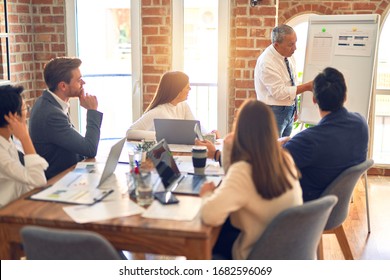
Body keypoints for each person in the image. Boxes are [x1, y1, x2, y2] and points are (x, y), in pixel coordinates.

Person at [199, 99, 303, 260]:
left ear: (239, 129)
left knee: (206, 242)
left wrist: (206, 194)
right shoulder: (284, 159)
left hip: (256, 254)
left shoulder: (244, 171)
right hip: (286, 250)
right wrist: (227, 147)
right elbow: (231, 179)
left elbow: (209, 215)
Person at [283, 67, 369, 202]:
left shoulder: (307, 140)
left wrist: (275, 146)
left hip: (305, 210)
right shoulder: (361, 124)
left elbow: (270, 168)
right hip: (335, 206)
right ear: (345, 97)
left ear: (314, 100)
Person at [29, 57, 103, 179]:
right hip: (58, 180)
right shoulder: (51, 114)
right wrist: (92, 110)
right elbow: (90, 149)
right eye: (79, 80)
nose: (83, 83)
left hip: (71, 173)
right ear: (63, 86)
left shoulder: (52, 102)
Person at [254, 24, 313, 137]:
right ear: (276, 45)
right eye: (291, 45)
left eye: (295, 42)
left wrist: (295, 107)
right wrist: (307, 87)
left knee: (284, 148)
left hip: (288, 110)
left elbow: (292, 81)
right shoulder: (266, 62)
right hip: (273, 111)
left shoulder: (288, 54)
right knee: (272, 150)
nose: (295, 48)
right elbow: (279, 93)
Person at [126, 71, 216, 140]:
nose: (190, 89)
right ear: (178, 89)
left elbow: (196, 128)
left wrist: (210, 134)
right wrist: (161, 135)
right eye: (187, 87)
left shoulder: (183, 106)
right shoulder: (158, 111)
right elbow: (130, 132)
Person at [0, 85, 48, 208]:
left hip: (19, 204)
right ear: (14, 116)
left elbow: (26, 183)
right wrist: (25, 138)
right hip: (6, 215)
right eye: (25, 108)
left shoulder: (7, 141)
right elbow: (39, 180)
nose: (27, 112)